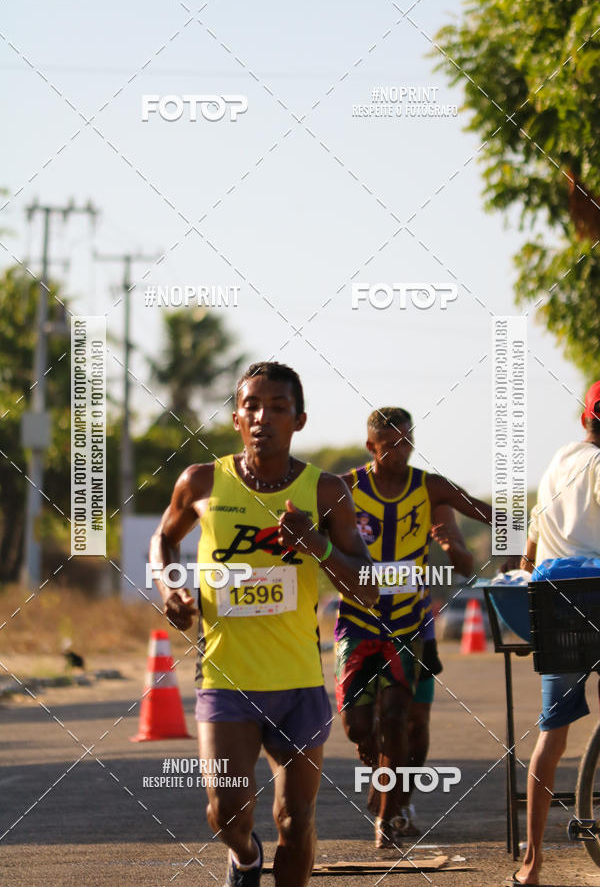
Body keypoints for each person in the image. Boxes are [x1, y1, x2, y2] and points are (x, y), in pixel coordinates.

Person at [150, 361, 377, 887]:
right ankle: (246, 859)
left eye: (277, 408)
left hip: (298, 683)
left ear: (299, 420)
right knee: (227, 814)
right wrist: (171, 587)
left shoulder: (327, 493)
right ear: (235, 419)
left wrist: (315, 544)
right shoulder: (202, 482)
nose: (262, 418)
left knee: (295, 823)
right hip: (226, 681)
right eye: (251, 406)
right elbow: (163, 539)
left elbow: (366, 587)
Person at [335, 406, 490, 848]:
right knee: (358, 728)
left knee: (402, 718)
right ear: (371, 446)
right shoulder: (343, 489)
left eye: (407, 442)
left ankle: (391, 813)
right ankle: (382, 776)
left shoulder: (430, 487)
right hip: (358, 623)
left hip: (409, 624)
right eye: (390, 446)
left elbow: (481, 512)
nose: (400, 453)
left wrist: (530, 534)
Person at [509, 381, 600, 887]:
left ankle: (533, 860)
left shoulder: (559, 461)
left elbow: (531, 546)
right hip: (597, 601)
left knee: (552, 735)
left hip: (556, 610)